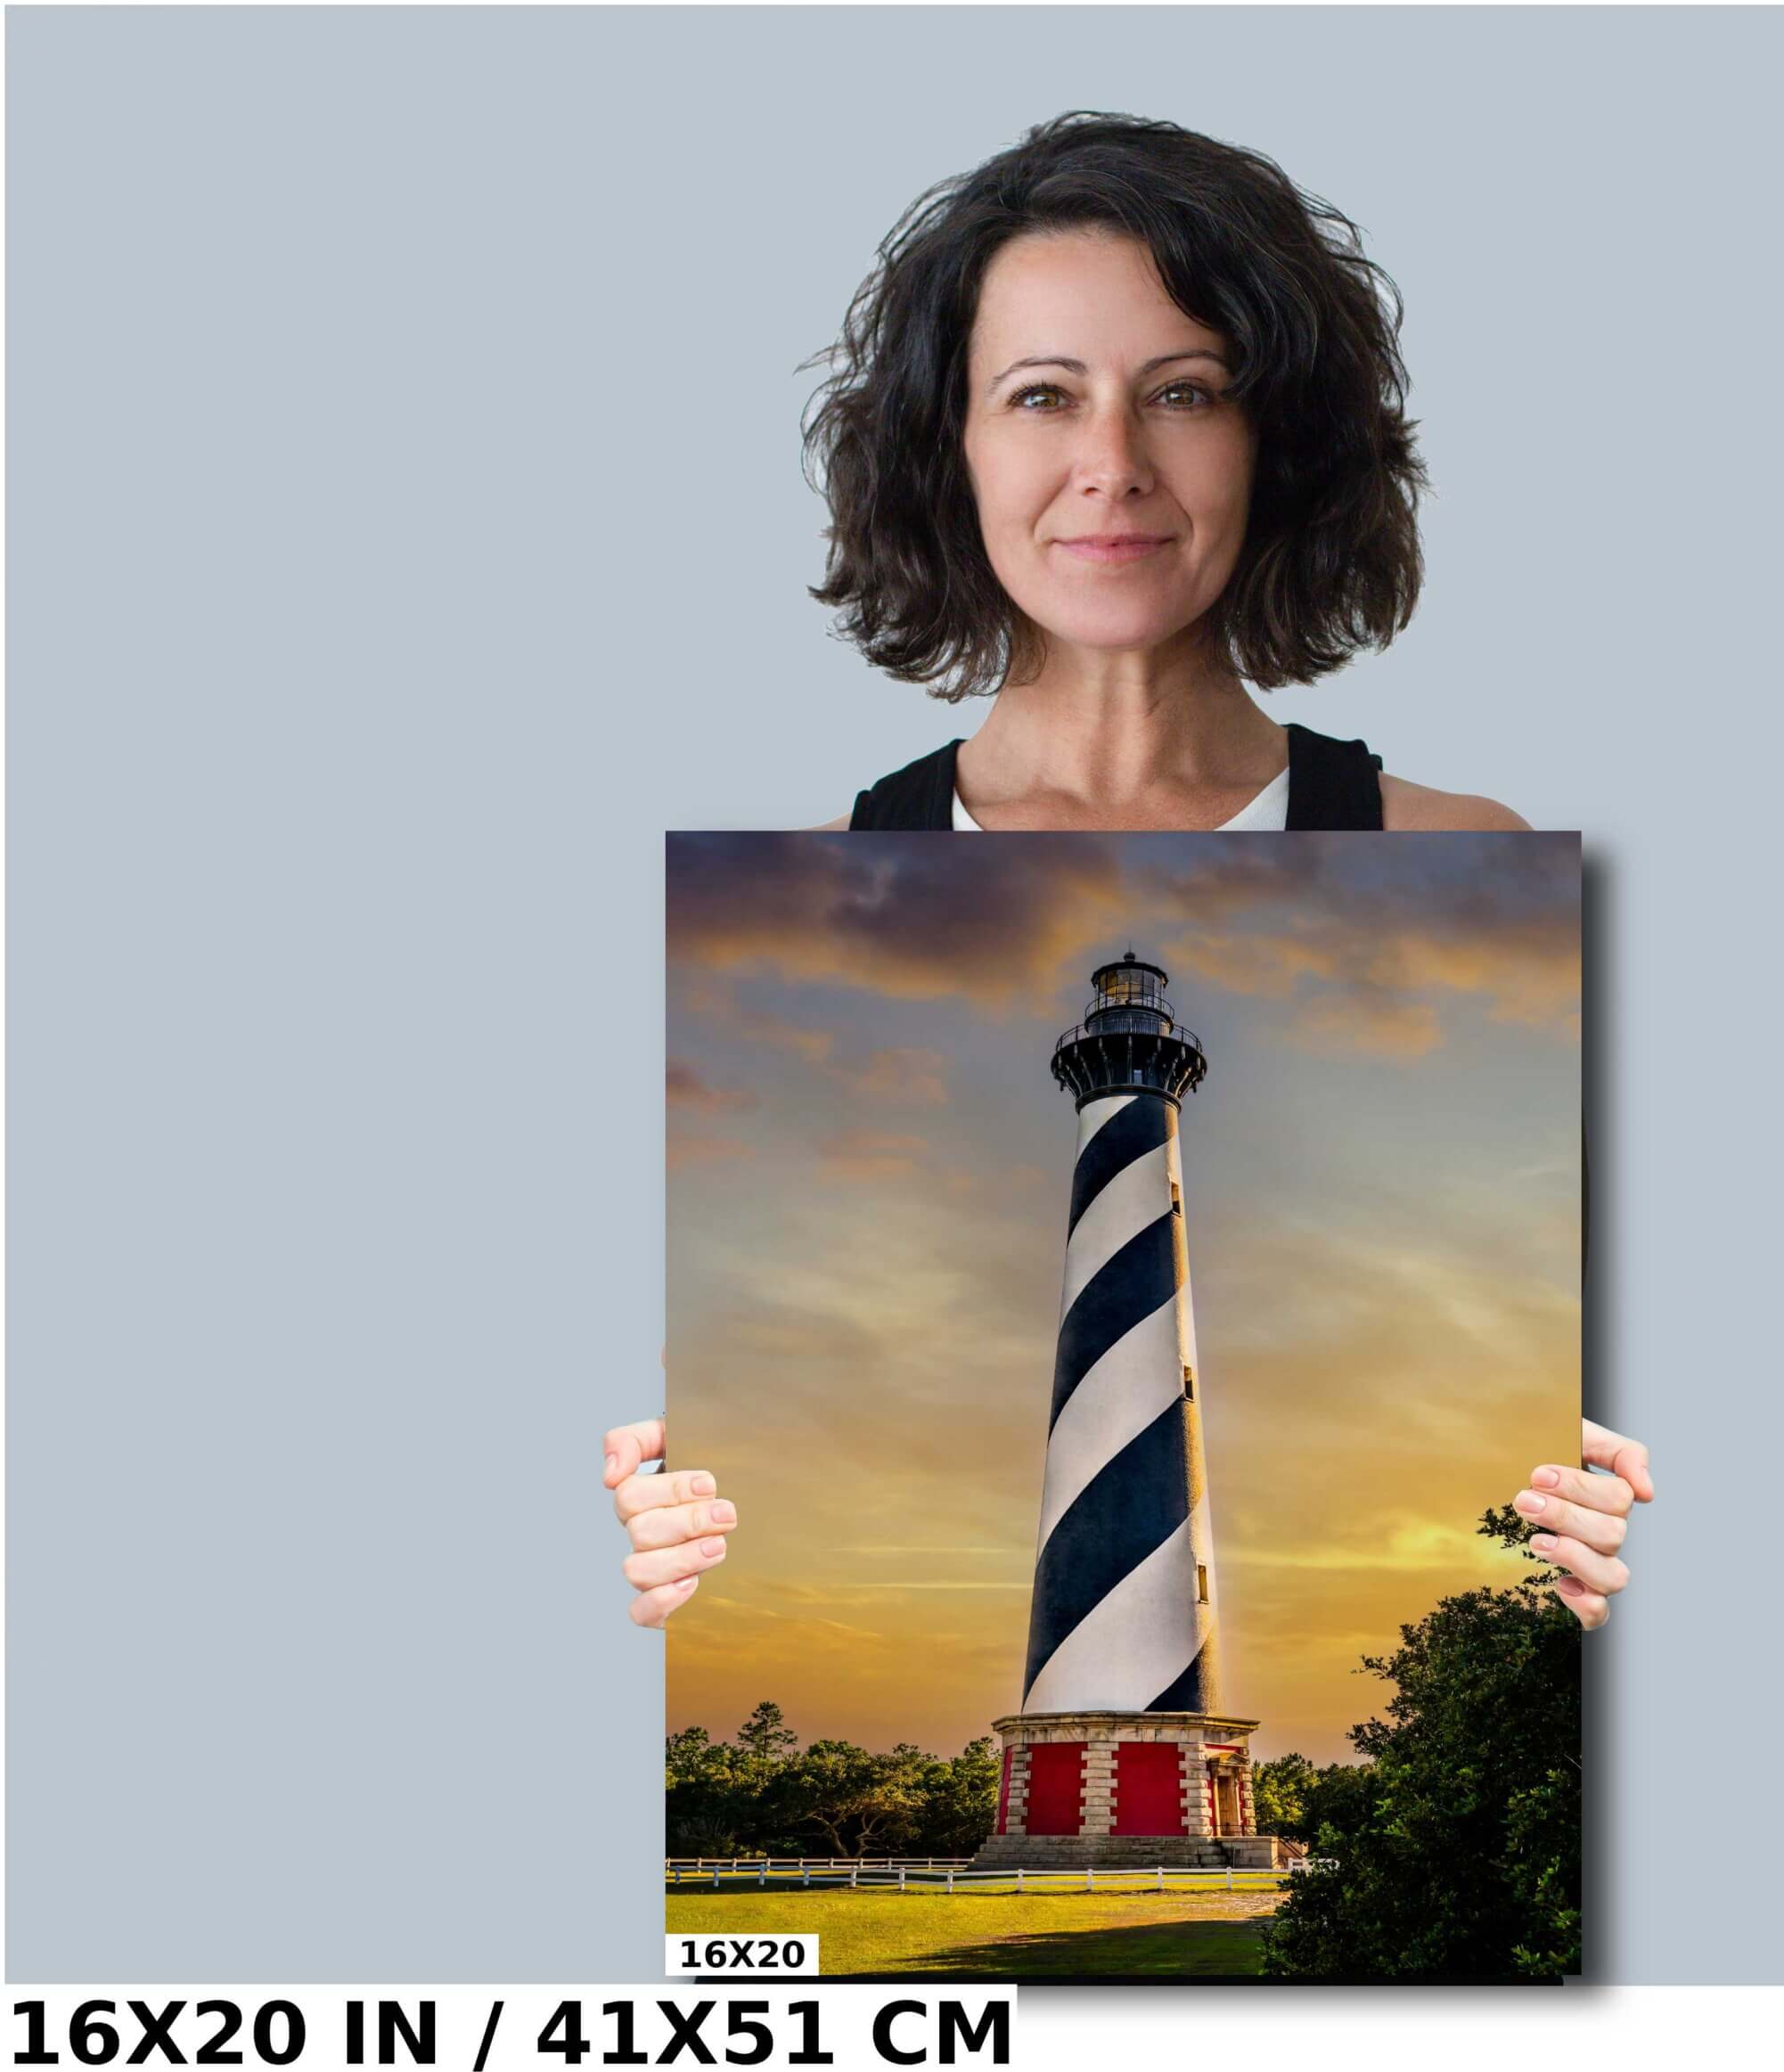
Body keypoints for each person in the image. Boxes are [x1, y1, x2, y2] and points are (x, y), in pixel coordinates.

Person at [610, 111, 1654, 1631]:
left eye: (1186, 391)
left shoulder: (1460, 844)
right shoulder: (820, 867)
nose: (1111, 465)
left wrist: (1618, 1518)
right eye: (1042, 395)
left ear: (1277, 439)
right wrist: (644, 1544)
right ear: (948, 446)